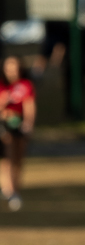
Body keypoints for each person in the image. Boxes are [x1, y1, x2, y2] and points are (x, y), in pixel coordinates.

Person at [0, 56, 35, 211]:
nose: (11, 72)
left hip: (19, 125)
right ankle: (9, 191)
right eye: (9, 68)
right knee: (8, 158)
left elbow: (29, 106)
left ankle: (15, 189)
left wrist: (28, 124)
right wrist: (5, 101)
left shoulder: (25, 85)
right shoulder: (2, 85)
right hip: (4, 126)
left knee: (18, 160)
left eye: (14, 68)